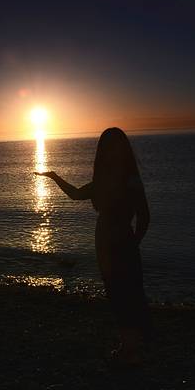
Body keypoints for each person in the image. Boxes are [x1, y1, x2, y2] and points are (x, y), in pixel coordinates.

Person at [35, 127, 153, 366]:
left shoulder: (130, 180)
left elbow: (144, 216)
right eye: (109, 147)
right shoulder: (105, 180)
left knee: (126, 293)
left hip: (119, 241)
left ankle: (132, 350)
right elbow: (76, 194)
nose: (112, 152)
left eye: (115, 147)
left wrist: (133, 242)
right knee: (118, 293)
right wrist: (54, 177)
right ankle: (129, 347)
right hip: (107, 242)